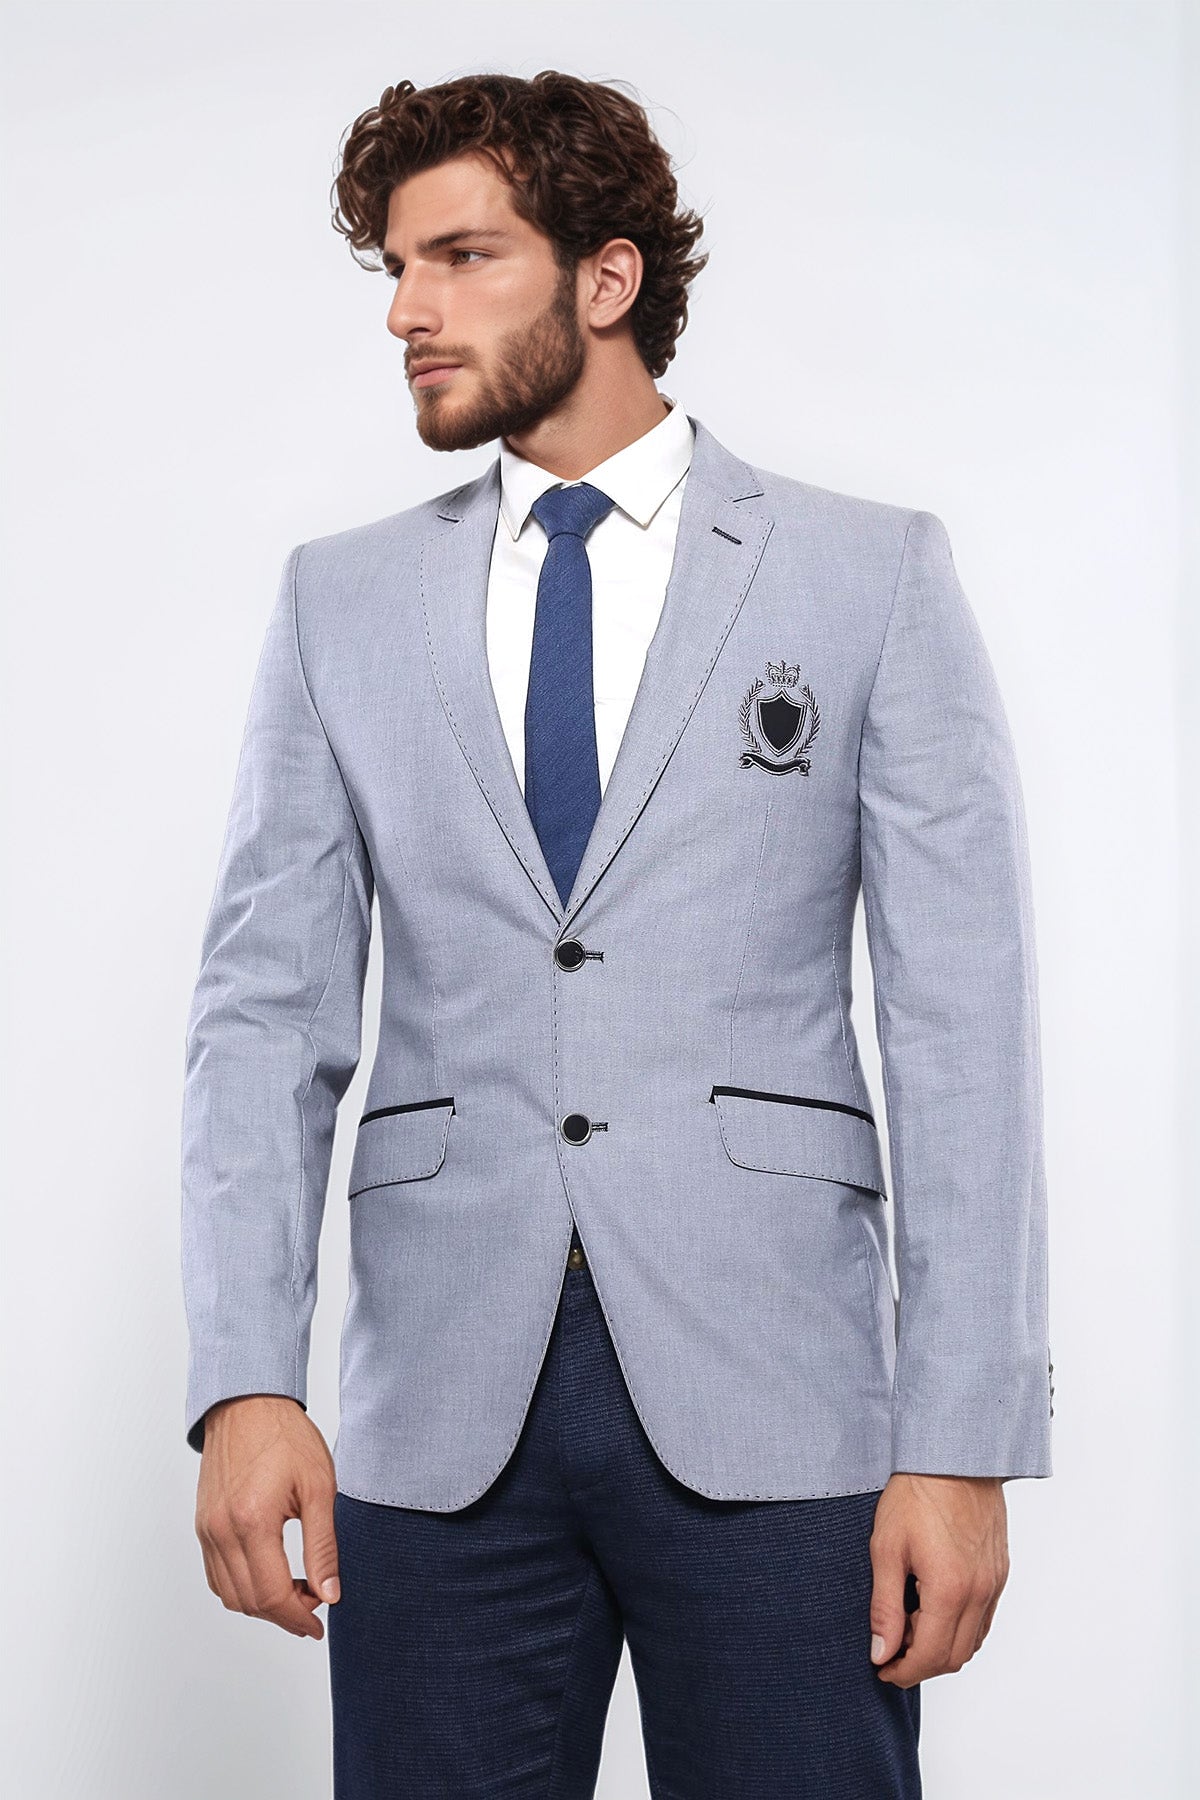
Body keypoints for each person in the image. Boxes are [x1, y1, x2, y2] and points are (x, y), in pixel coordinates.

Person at [181, 69, 1053, 1798]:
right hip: (438, 1419)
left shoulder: (866, 575)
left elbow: (963, 1023)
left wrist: (962, 1439)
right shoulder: (339, 601)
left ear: (606, 278)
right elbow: (263, 1015)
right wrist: (243, 1382)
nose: (409, 312)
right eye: (397, 269)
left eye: (462, 258)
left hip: (780, 1397)